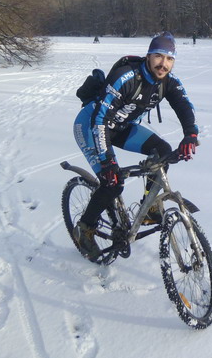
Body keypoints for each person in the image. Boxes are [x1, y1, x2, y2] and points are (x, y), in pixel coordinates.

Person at [72, 31, 199, 261]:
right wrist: (107, 162)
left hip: (121, 127)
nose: (163, 64)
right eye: (159, 56)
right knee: (113, 183)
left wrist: (190, 134)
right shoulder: (126, 77)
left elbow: (184, 105)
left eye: (169, 59)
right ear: (148, 56)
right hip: (91, 127)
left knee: (161, 151)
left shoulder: (168, 82)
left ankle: (149, 207)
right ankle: (85, 228)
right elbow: (100, 120)